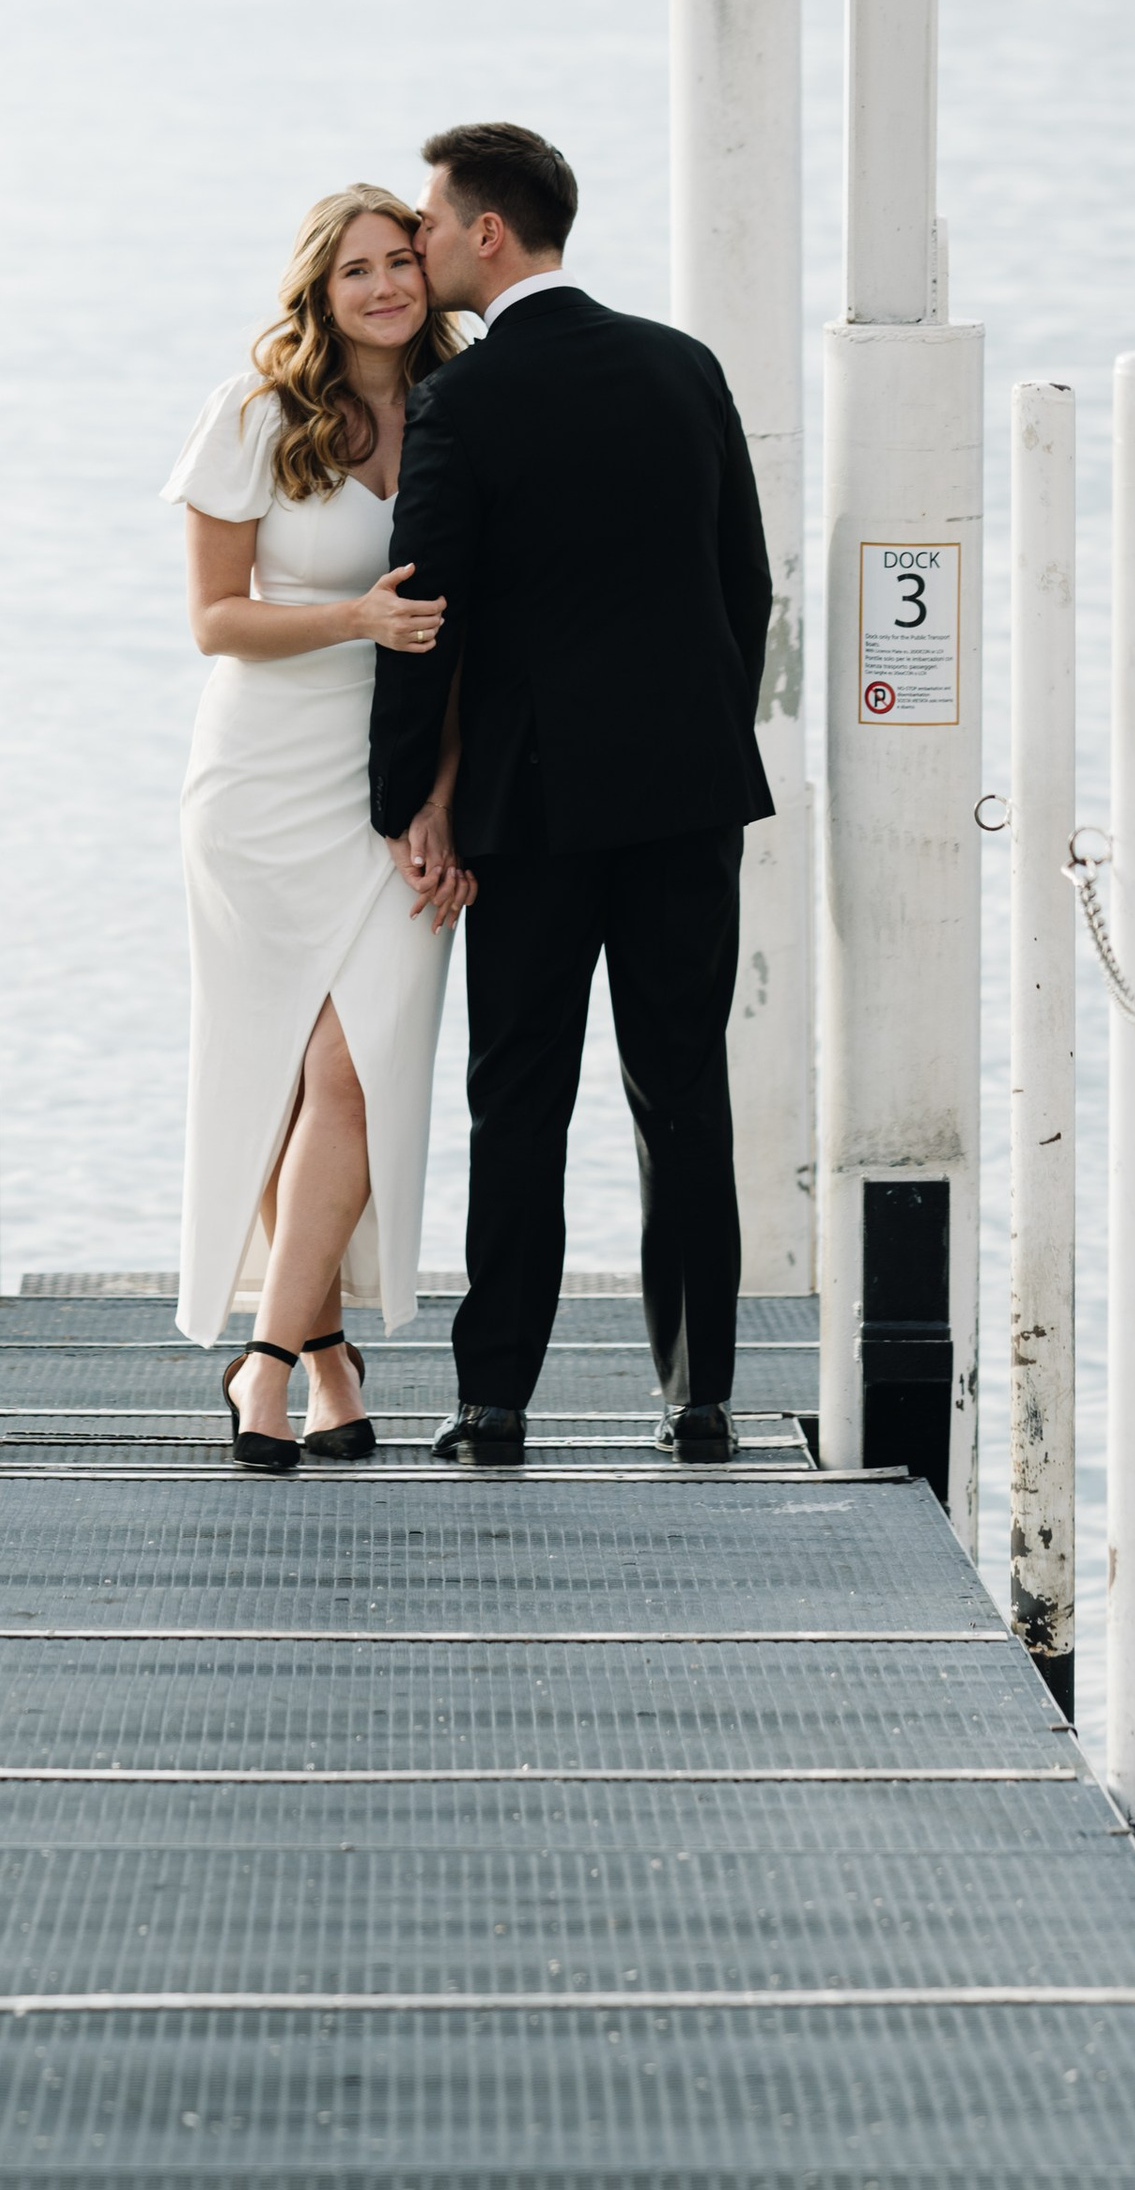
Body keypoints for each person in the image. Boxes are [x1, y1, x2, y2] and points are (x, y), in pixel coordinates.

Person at [368, 120, 774, 1466]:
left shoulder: (464, 402)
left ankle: (495, 1401)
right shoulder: (683, 368)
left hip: (531, 810)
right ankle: (700, 1393)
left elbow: (423, 614)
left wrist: (401, 803)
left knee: (520, 1097)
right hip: (685, 795)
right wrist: (705, 738)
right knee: (682, 1090)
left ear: (489, 232)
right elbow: (745, 585)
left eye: (429, 221)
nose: (419, 243)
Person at [163, 185, 473, 1472]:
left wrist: (442, 803)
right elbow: (214, 618)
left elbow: (473, 641)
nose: (387, 284)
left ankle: (270, 1362)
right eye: (358, 268)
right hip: (262, 784)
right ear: (319, 288)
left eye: (403, 258)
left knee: (357, 1070)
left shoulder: (467, 409)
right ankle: (318, 1356)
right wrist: (353, 620)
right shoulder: (256, 416)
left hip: (398, 786)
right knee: (284, 1074)